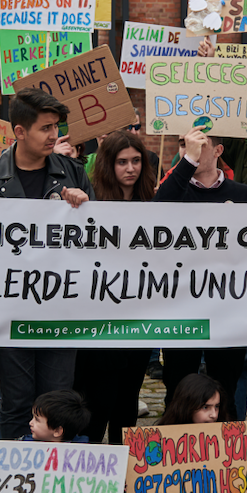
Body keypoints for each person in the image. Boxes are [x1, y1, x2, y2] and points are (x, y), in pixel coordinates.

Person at [0, 89, 90, 439]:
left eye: (56, 126)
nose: (54, 135)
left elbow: (96, 243)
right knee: (17, 402)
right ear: (19, 132)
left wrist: (83, 207)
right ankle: (10, 487)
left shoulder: (73, 173)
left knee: (57, 403)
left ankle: (54, 486)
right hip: (10, 311)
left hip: (60, 309)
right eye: (45, 127)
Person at [152, 127, 247, 414]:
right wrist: (186, 164)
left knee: (226, 386)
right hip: (182, 305)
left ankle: (227, 450)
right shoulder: (174, 190)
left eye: (200, 145)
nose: (191, 151)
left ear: (219, 151)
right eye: (184, 145)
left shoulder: (243, 194)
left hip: (228, 307)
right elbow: (156, 216)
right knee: (177, 382)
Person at [73, 131, 156, 443]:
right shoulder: (91, 200)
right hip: (98, 315)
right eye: (122, 162)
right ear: (109, 165)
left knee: (129, 394)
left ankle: (123, 460)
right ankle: (92, 460)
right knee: (97, 395)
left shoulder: (152, 200)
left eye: (136, 161)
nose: (130, 168)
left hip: (139, 314)